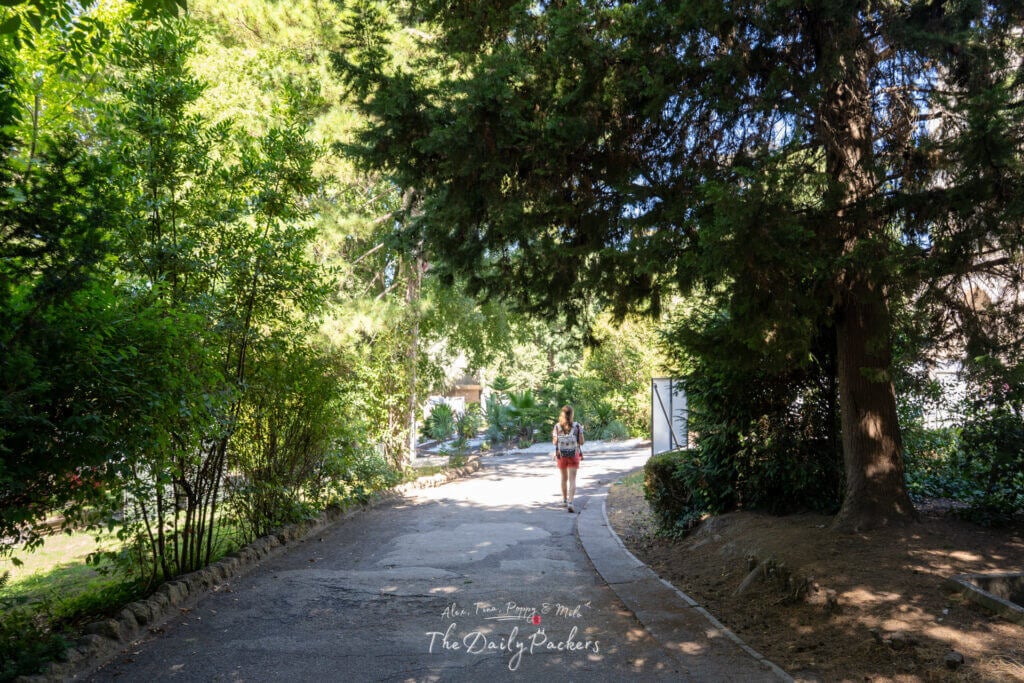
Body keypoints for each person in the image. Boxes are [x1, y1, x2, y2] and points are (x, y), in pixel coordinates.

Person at [552, 405, 584, 513]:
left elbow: (555, 442)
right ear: (572, 414)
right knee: (572, 480)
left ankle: (564, 500)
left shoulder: (557, 426)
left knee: (563, 478)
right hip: (573, 454)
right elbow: (582, 442)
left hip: (561, 455)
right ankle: (571, 502)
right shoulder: (577, 426)